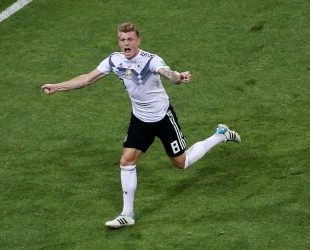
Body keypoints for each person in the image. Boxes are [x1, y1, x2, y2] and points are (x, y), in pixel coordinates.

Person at [41, 22, 241, 229]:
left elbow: (167, 73)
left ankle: (220, 135)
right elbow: (86, 79)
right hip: (139, 119)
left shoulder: (150, 60)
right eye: (122, 40)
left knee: (181, 163)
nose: (126, 43)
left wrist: (178, 78)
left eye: (130, 39)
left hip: (163, 118)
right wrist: (57, 86)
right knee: (126, 160)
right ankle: (127, 214)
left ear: (138, 41)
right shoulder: (114, 60)